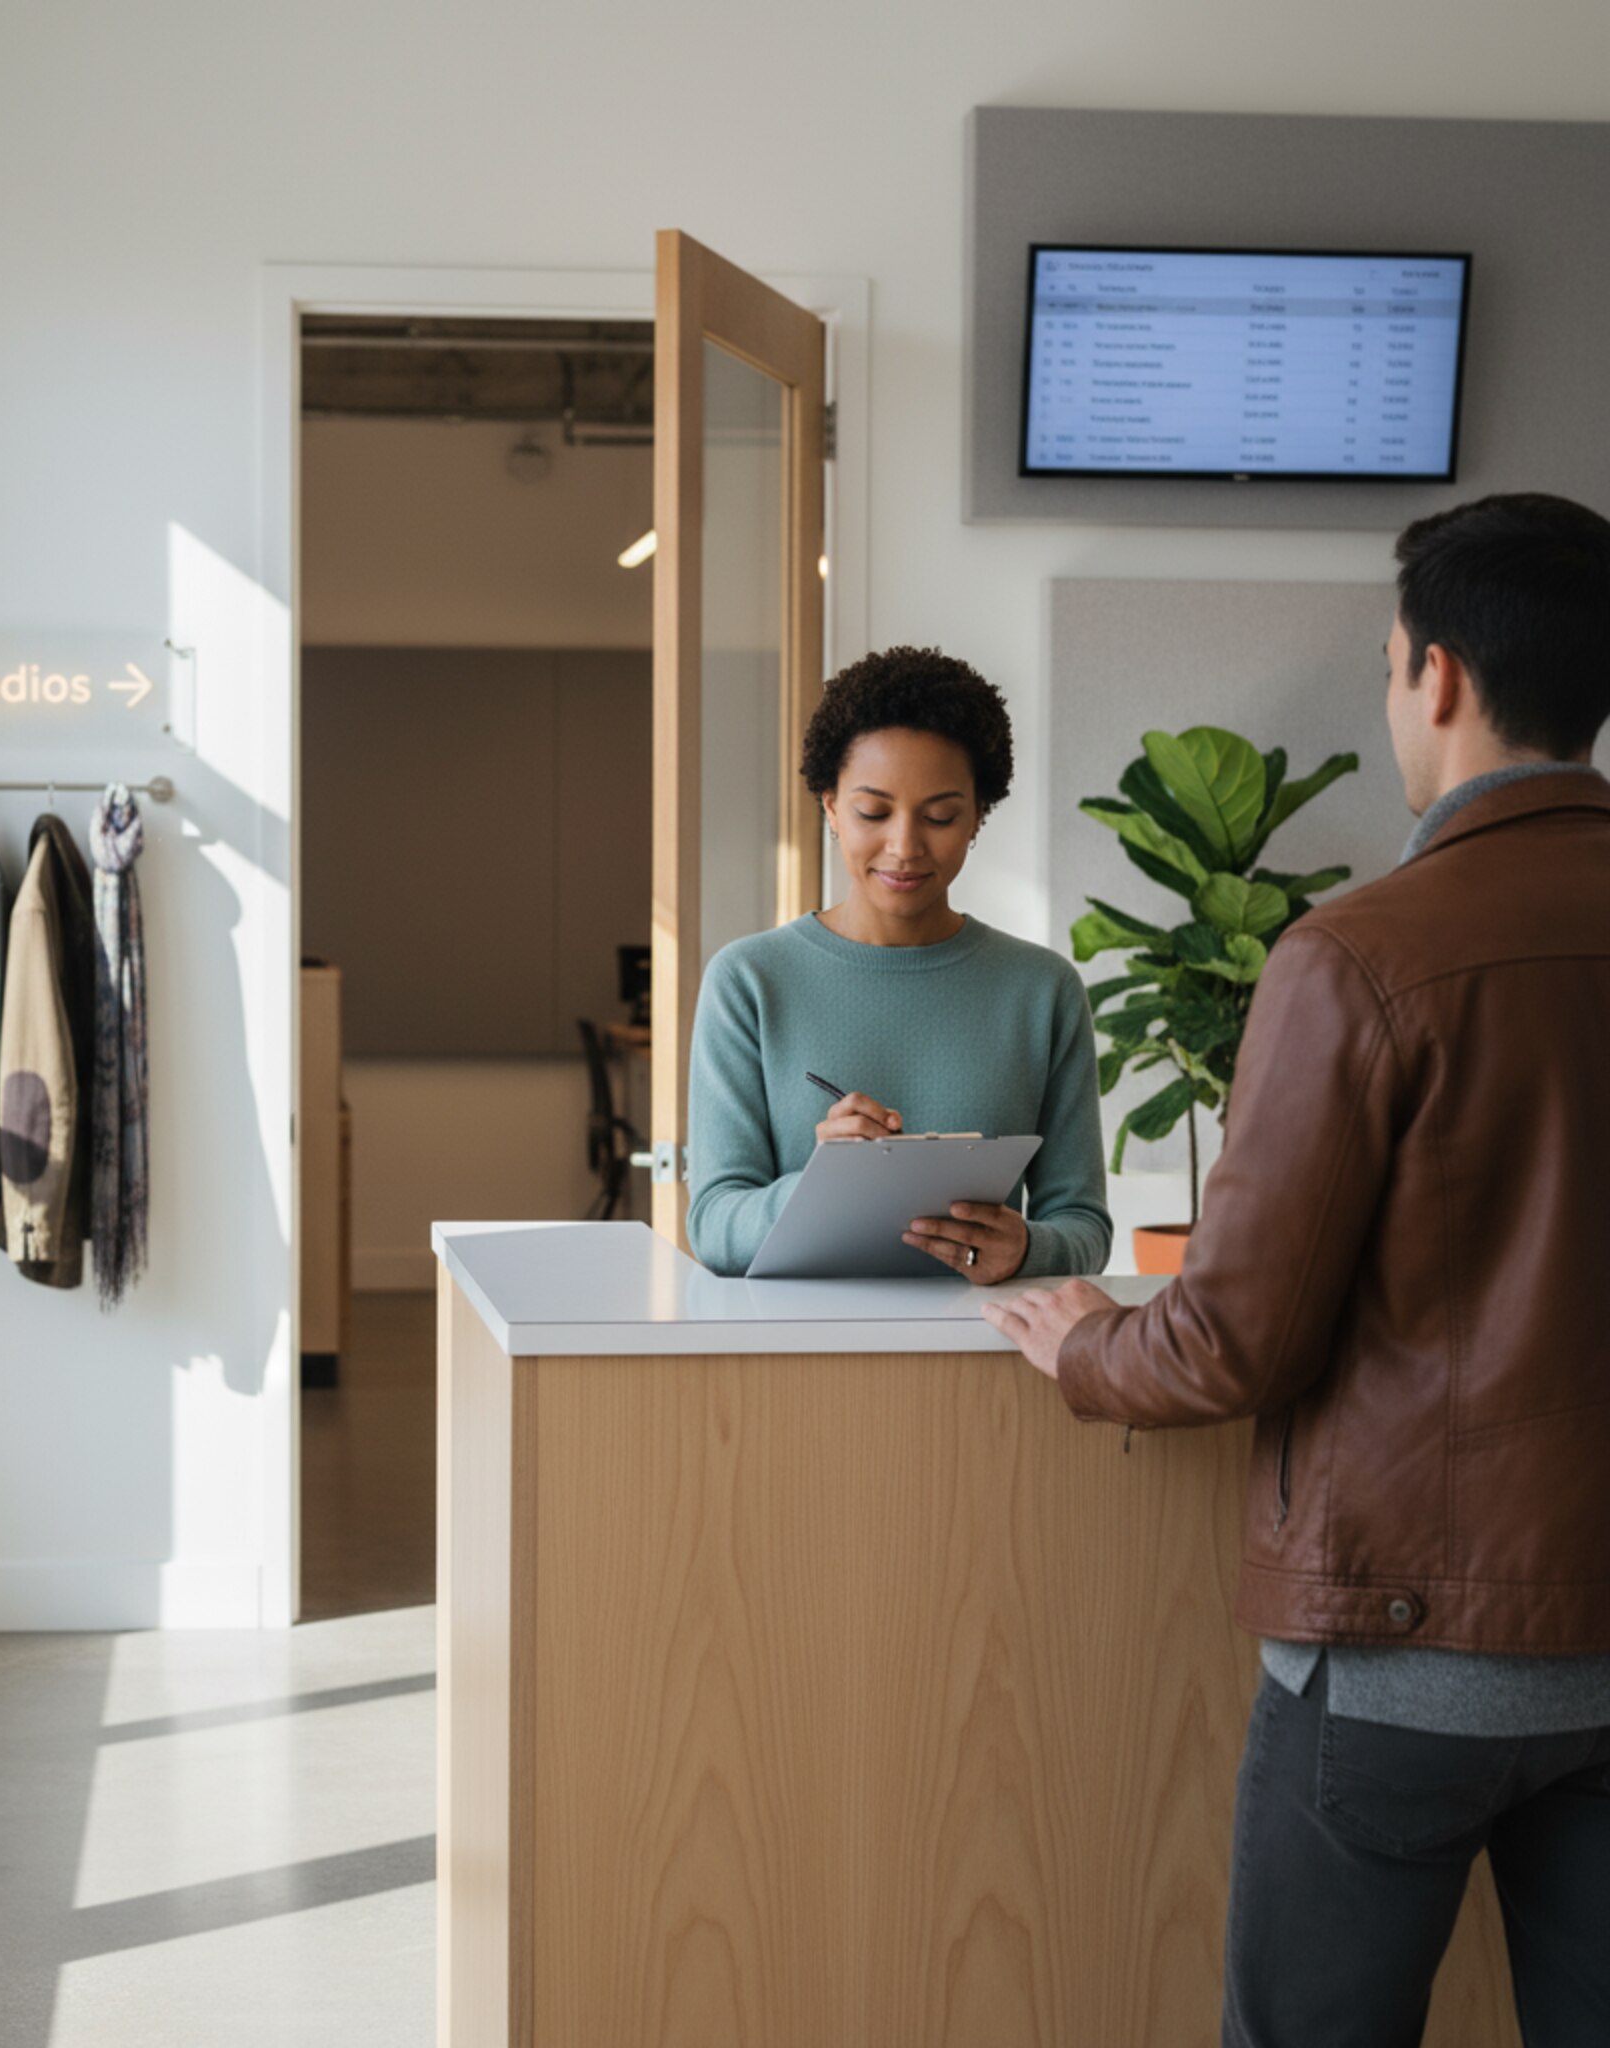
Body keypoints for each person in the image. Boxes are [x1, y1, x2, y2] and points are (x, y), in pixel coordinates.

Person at [984, 492, 1610, 2048]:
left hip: (1400, 1656)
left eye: (1394, 665)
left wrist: (1081, 1346)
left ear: (1440, 675)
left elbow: (1229, 1343)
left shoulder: (1362, 954)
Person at [686, 645, 1111, 1281]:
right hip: (792, 1364)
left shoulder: (1041, 990)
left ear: (977, 817)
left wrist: (1028, 1249)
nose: (905, 847)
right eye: (873, 812)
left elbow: (1083, 1223)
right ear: (830, 806)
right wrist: (819, 1186)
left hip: (984, 1364)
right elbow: (713, 1227)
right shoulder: (748, 982)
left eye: (940, 815)